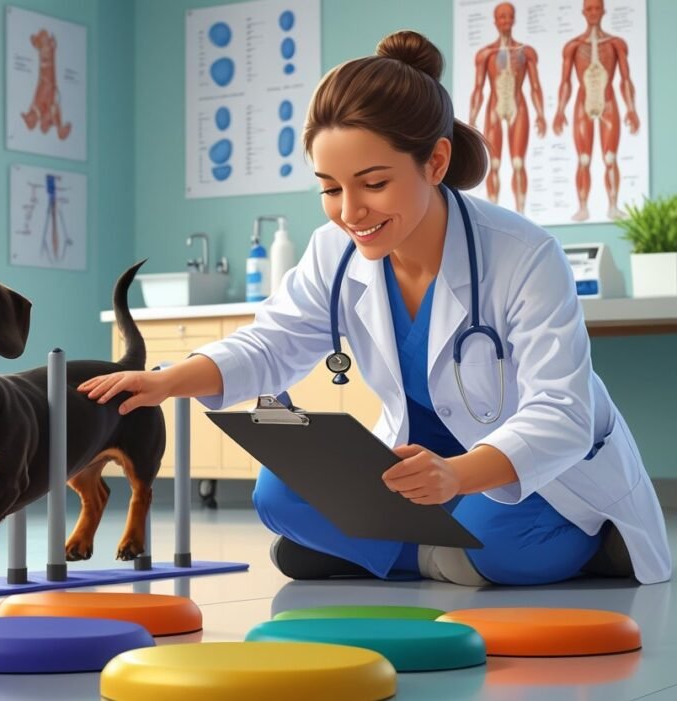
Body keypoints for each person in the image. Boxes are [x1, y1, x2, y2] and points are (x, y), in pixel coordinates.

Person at [79, 31, 671, 587]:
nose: (350, 211)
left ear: (435, 163)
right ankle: (440, 559)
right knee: (276, 494)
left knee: (503, 535)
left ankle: (398, 552)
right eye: (331, 188)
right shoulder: (334, 251)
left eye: (374, 184)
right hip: (417, 473)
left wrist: (457, 475)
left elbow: (561, 413)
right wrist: (165, 382)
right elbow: (273, 342)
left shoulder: (523, 255)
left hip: (523, 472)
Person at [553, 0, 639, 221]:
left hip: (608, 102)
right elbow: (565, 82)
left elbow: (625, 79)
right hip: (583, 104)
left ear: (603, 11)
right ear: (584, 12)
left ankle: (613, 205)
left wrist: (631, 108)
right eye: (589, 8)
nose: (593, 12)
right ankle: (583, 206)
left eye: (596, 8)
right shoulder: (573, 46)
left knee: (610, 157)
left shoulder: (616, 44)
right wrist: (560, 110)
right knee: (584, 159)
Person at [469, 2, 546, 214]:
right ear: (495, 21)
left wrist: (541, 114)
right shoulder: (485, 54)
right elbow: (478, 88)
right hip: (494, 107)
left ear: (514, 19)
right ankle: (494, 214)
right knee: (493, 164)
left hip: (518, 106)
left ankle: (521, 213)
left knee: (519, 163)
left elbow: (536, 86)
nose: (505, 21)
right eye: (501, 17)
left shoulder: (526, 52)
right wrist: (472, 118)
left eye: (509, 16)